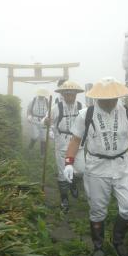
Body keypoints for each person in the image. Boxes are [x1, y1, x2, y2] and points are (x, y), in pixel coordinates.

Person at [63, 77, 128, 256]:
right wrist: (68, 162)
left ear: (117, 96)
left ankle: (118, 240)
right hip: (96, 167)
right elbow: (75, 140)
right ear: (97, 97)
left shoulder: (127, 112)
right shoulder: (86, 114)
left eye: (112, 98)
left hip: (122, 166)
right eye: (104, 99)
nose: (108, 102)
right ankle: (98, 246)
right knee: (98, 209)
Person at [43, 80, 85, 211]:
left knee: (81, 170)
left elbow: (89, 121)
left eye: (72, 94)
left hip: (78, 143)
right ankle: (64, 198)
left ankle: (72, 184)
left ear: (76, 94)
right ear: (63, 94)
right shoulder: (56, 108)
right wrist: (46, 121)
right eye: (67, 94)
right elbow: (45, 120)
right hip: (62, 142)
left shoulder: (81, 106)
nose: (70, 96)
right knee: (62, 172)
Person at [27, 89, 49, 156]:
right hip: (35, 120)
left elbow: (49, 111)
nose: (42, 97)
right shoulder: (33, 101)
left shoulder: (47, 101)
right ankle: (30, 148)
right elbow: (29, 110)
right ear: (38, 94)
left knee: (44, 138)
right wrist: (29, 116)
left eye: (43, 95)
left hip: (44, 120)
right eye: (40, 95)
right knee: (35, 136)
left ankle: (42, 154)